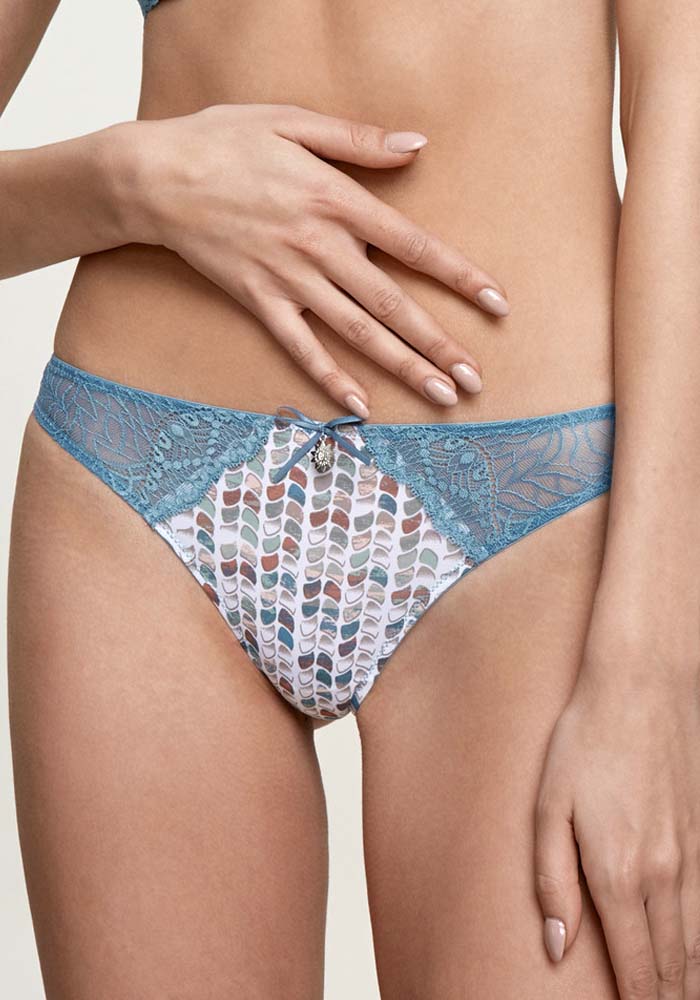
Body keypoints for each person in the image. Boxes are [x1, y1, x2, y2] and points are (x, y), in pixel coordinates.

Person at [3, 0, 699, 997]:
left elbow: (686, 118)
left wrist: (655, 675)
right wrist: (131, 181)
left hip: (538, 523)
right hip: (136, 501)